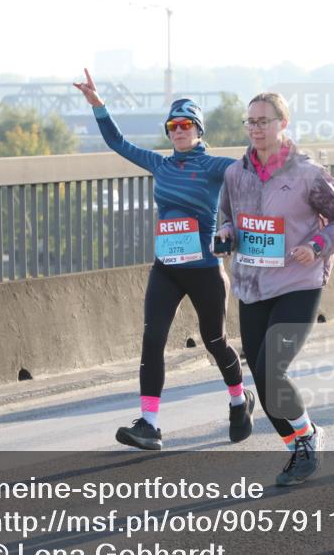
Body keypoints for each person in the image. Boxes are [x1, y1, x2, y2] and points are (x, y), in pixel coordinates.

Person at [73, 69, 252, 450]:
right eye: (173, 126)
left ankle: (239, 399)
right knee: (152, 338)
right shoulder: (161, 164)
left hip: (204, 270)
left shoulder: (214, 166)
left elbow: (251, 174)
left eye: (186, 125)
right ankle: (149, 424)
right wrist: (98, 105)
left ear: (198, 130)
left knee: (215, 341)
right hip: (166, 270)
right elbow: (118, 143)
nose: (179, 130)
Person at [216, 92, 334, 486]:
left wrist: (317, 246)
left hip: (299, 282)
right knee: (263, 383)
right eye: (250, 121)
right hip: (253, 285)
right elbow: (226, 215)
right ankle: (299, 446)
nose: (255, 128)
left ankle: (308, 438)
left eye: (263, 121)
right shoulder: (235, 174)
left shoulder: (308, 173)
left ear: (283, 124)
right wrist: (226, 232)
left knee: (271, 370)